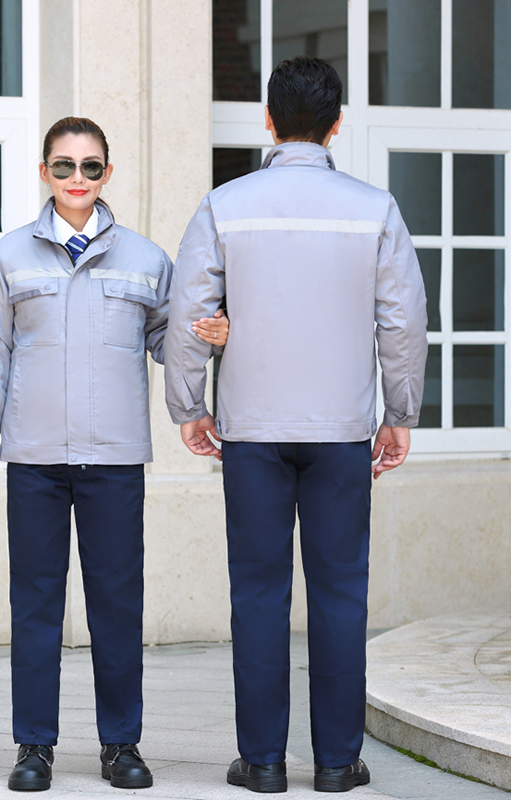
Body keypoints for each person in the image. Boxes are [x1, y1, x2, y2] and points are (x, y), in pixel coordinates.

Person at [164, 57, 428, 794]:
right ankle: (338, 763)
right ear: (336, 123)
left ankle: (263, 762)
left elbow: (189, 314)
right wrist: (399, 413)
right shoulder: (374, 208)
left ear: (268, 121)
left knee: (257, 594)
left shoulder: (224, 205)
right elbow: (403, 322)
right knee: (341, 595)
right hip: (341, 432)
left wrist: (189, 405)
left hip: (251, 431)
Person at [0, 116, 228, 793]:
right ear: (44, 171)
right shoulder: (10, 256)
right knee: (35, 606)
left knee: (116, 605)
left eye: (91, 166)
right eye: (65, 165)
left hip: (114, 460)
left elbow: (170, 344)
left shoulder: (145, 259)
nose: (78, 178)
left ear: (107, 173)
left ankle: (121, 744)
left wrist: (210, 340)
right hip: (35, 458)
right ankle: (33, 747)